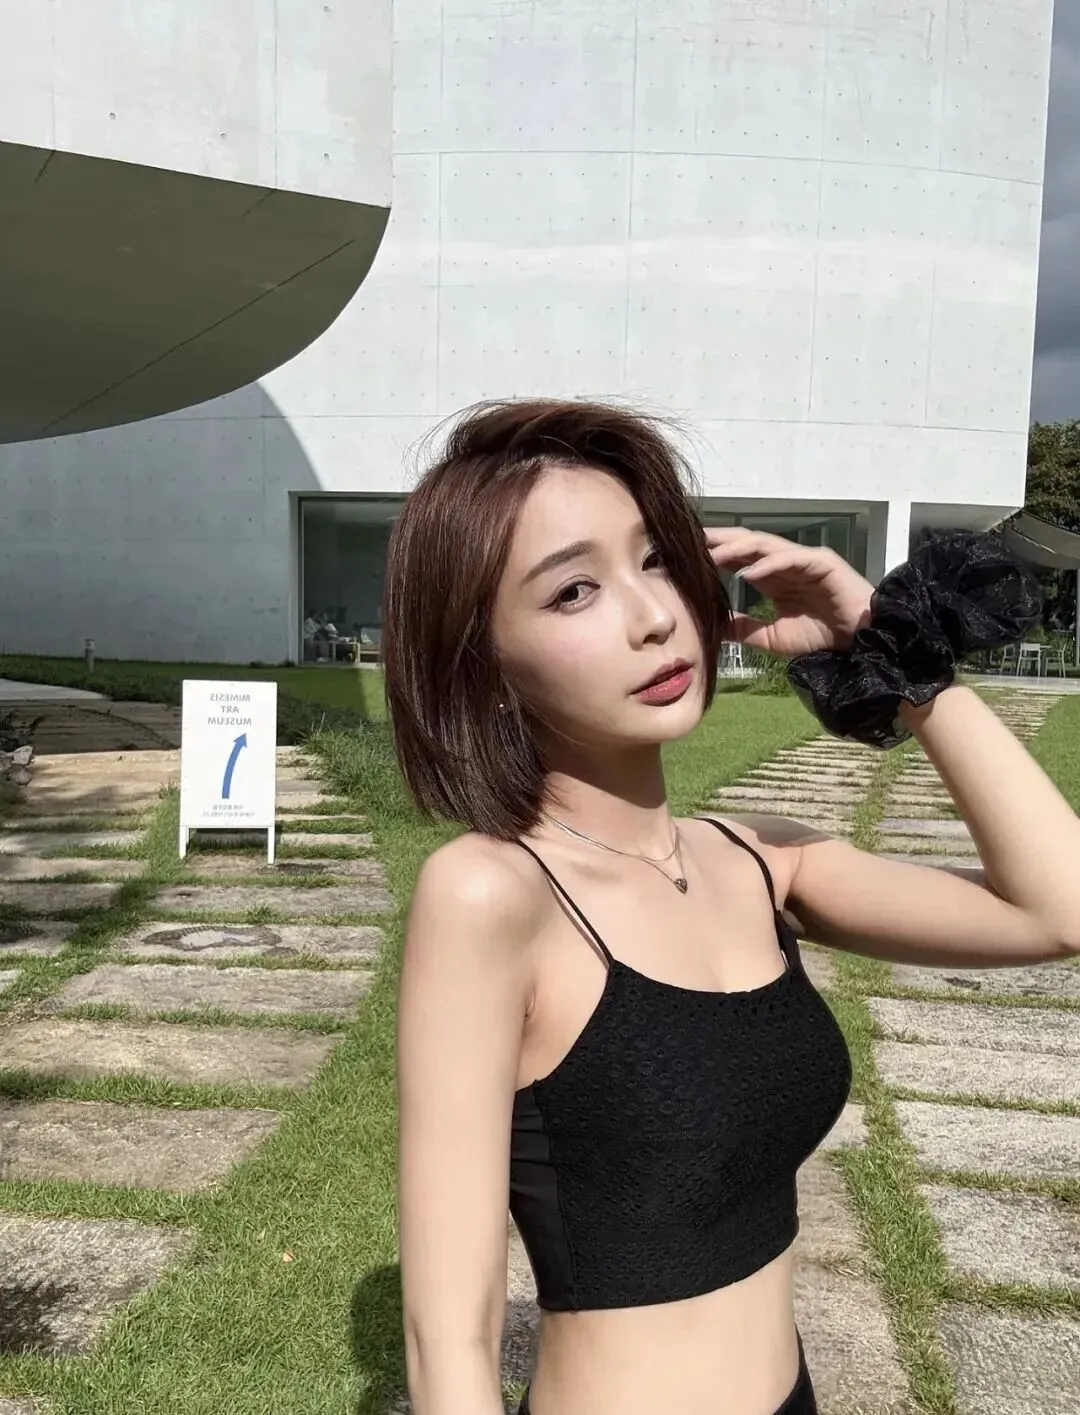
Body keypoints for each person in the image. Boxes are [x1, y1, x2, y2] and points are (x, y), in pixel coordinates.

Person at [384, 399, 1080, 1415]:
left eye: (656, 560)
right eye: (575, 589)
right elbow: (448, 1336)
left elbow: (1058, 909)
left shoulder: (760, 859)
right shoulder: (492, 892)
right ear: (484, 667)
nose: (655, 615)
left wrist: (895, 651)